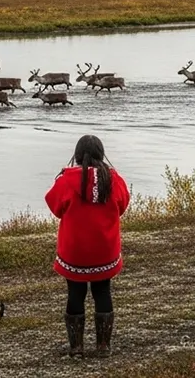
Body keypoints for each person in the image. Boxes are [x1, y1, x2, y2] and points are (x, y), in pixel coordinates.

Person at [45, 135, 130, 358]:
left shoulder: (66, 180)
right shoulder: (114, 179)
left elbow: (55, 207)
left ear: (77, 155)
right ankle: (103, 346)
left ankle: (76, 348)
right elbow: (122, 206)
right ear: (101, 154)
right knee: (102, 291)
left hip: (75, 252)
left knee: (75, 293)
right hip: (105, 250)